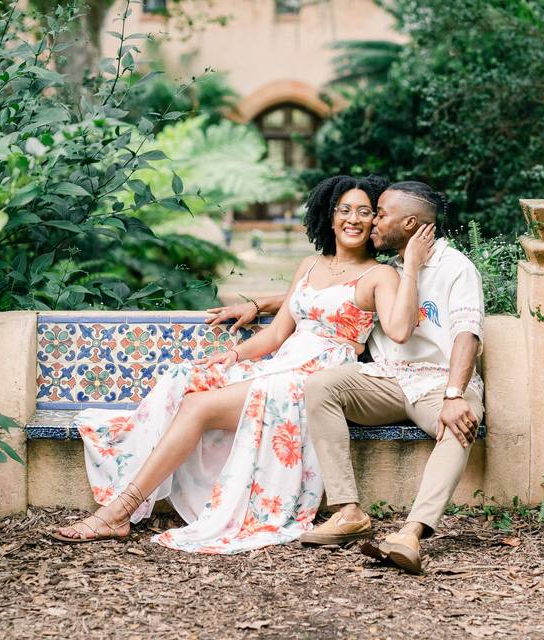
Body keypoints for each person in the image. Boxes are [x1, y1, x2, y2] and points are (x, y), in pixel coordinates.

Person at [50, 175, 435, 554]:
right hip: (282, 363)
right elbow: (276, 334)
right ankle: (126, 498)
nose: (353, 219)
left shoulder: (380, 275)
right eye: (345, 209)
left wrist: (412, 267)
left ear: (373, 223)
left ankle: (119, 511)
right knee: (186, 377)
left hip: (316, 379)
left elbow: (400, 330)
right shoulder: (310, 265)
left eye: (365, 212)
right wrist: (233, 356)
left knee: (196, 406)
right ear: (329, 216)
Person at [206, 181, 485, 573]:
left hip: (439, 384)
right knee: (321, 385)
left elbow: (466, 335)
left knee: (460, 424)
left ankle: (412, 533)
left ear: (409, 223)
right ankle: (347, 511)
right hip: (386, 380)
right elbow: (328, 295)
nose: (371, 223)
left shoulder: (456, 268)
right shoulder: (391, 269)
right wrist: (259, 303)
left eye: (380, 215)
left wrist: (455, 394)